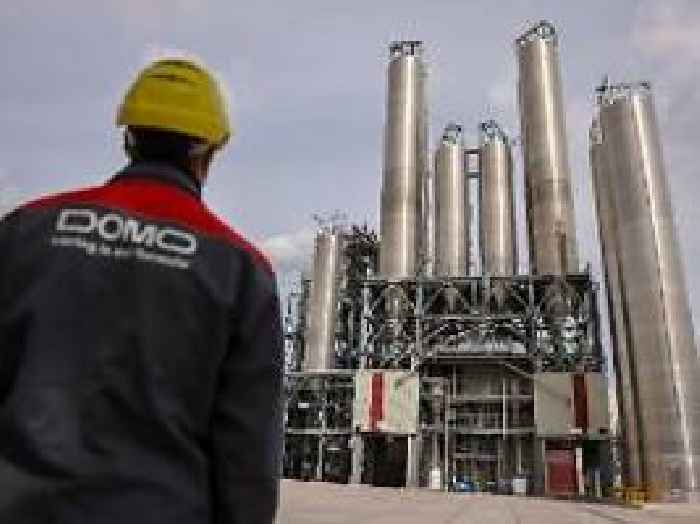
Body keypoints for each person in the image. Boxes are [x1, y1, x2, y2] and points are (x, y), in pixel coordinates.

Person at [0, 58, 283, 523]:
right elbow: (246, 451)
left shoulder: (26, 231)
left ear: (128, 137)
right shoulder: (240, 269)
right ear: (208, 151)